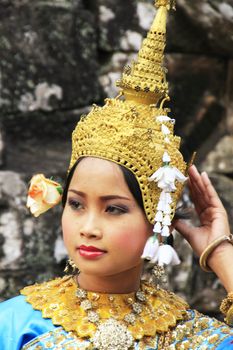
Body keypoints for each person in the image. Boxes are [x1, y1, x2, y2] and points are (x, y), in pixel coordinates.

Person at [1, 1, 233, 349]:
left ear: (160, 220)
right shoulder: (15, 325)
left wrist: (220, 254)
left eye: (114, 208)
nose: (88, 227)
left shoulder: (199, 338)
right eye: (76, 204)